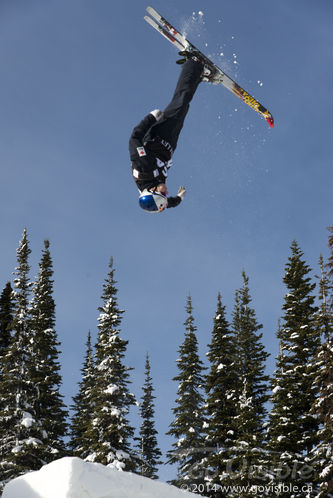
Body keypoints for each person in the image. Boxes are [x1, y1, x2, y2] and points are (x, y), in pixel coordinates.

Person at [129, 56, 213, 213]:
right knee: (184, 106)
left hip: (159, 133)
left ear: (152, 190)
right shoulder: (158, 194)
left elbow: (134, 138)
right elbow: (168, 203)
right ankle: (198, 75)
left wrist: (150, 118)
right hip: (169, 143)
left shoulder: (143, 168)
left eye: (162, 193)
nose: (166, 192)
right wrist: (179, 198)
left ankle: (193, 63)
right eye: (165, 195)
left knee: (181, 101)